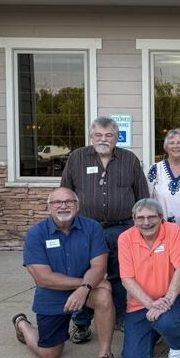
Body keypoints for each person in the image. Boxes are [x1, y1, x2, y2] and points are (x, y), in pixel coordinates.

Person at [61, 116, 149, 339]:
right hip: (85, 229)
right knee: (83, 274)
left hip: (122, 228)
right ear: (91, 137)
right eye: (98, 135)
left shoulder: (130, 160)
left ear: (117, 137)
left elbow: (142, 197)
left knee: (121, 275)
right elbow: (66, 193)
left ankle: (119, 316)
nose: (103, 139)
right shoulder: (77, 158)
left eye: (109, 135)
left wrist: (141, 227)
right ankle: (81, 323)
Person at [14, 187, 117, 358]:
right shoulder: (36, 234)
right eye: (57, 203)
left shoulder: (92, 228)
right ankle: (22, 324)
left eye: (69, 202)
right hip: (52, 294)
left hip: (87, 289)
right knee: (50, 354)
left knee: (103, 295)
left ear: (77, 206)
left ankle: (105, 355)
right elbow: (43, 278)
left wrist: (86, 289)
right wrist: (83, 285)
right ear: (49, 207)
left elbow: (99, 267)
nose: (63, 206)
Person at [118, 198, 180, 358]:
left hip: (173, 296)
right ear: (134, 220)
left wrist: (166, 302)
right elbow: (127, 279)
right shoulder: (125, 238)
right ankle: (156, 329)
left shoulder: (173, 231)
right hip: (141, 302)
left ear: (161, 218)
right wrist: (151, 305)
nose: (146, 222)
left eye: (151, 217)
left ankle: (177, 345)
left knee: (166, 321)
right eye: (140, 218)